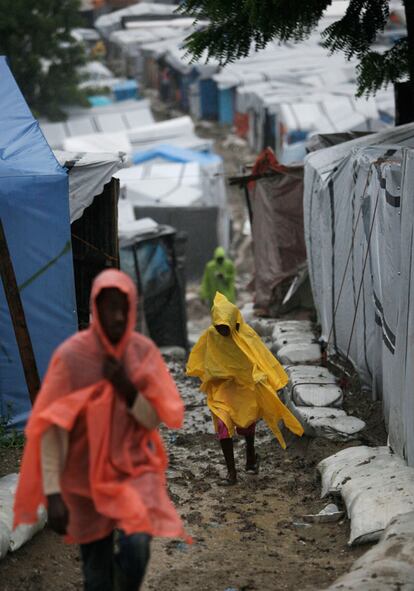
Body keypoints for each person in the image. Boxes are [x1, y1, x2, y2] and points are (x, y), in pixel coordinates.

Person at [14, 269, 187, 591]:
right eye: (110, 307)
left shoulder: (142, 355)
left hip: (132, 475)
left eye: (124, 306)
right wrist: (53, 494)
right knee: (96, 575)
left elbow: (153, 420)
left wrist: (126, 387)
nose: (118, 316)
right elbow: (53, 429)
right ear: (96, 307)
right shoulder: (72, 357)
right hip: (83, 482)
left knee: (137, 549)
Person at [187, 292, 304, 485]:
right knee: (223, 428)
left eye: (226, 327)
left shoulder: (245, 334)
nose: (223, 331)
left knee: (246, 426)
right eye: (219, 326)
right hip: (221, 390)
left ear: (234, 323)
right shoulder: (211, 334)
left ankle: (251, 456)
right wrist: (206, 374)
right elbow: (201, 356)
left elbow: (262, 357)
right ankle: (231, 473)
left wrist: (270, 380)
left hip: (244, 388)